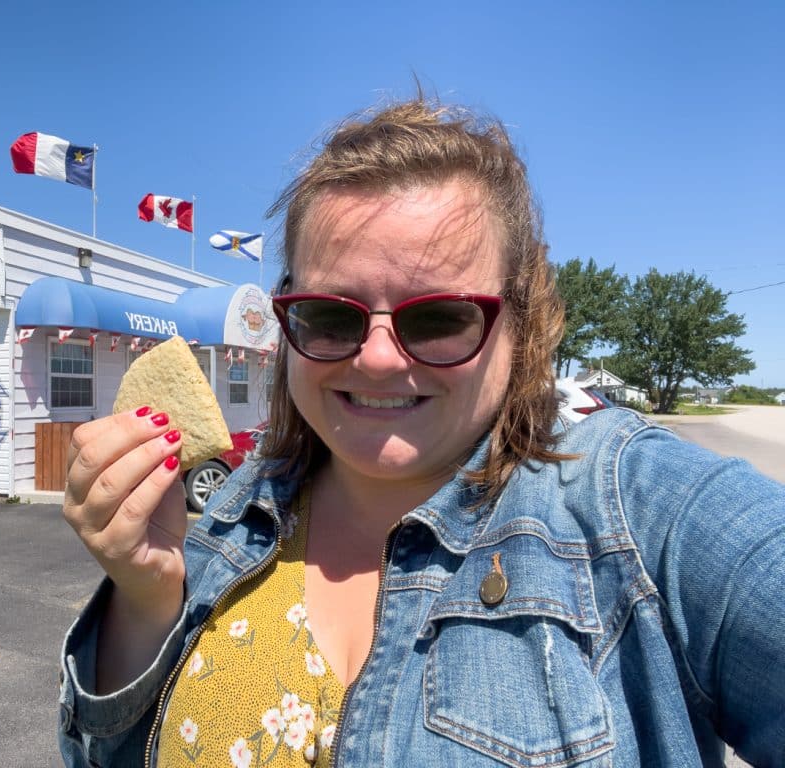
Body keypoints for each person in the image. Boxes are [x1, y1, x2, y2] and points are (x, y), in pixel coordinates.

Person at [57, 95, 785, 767]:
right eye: (332, 315)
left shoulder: (641, 512)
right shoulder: (234, 511)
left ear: (520, 325)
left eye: (438, 317)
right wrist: (146, 598)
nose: (375, 356)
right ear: (289, 319)